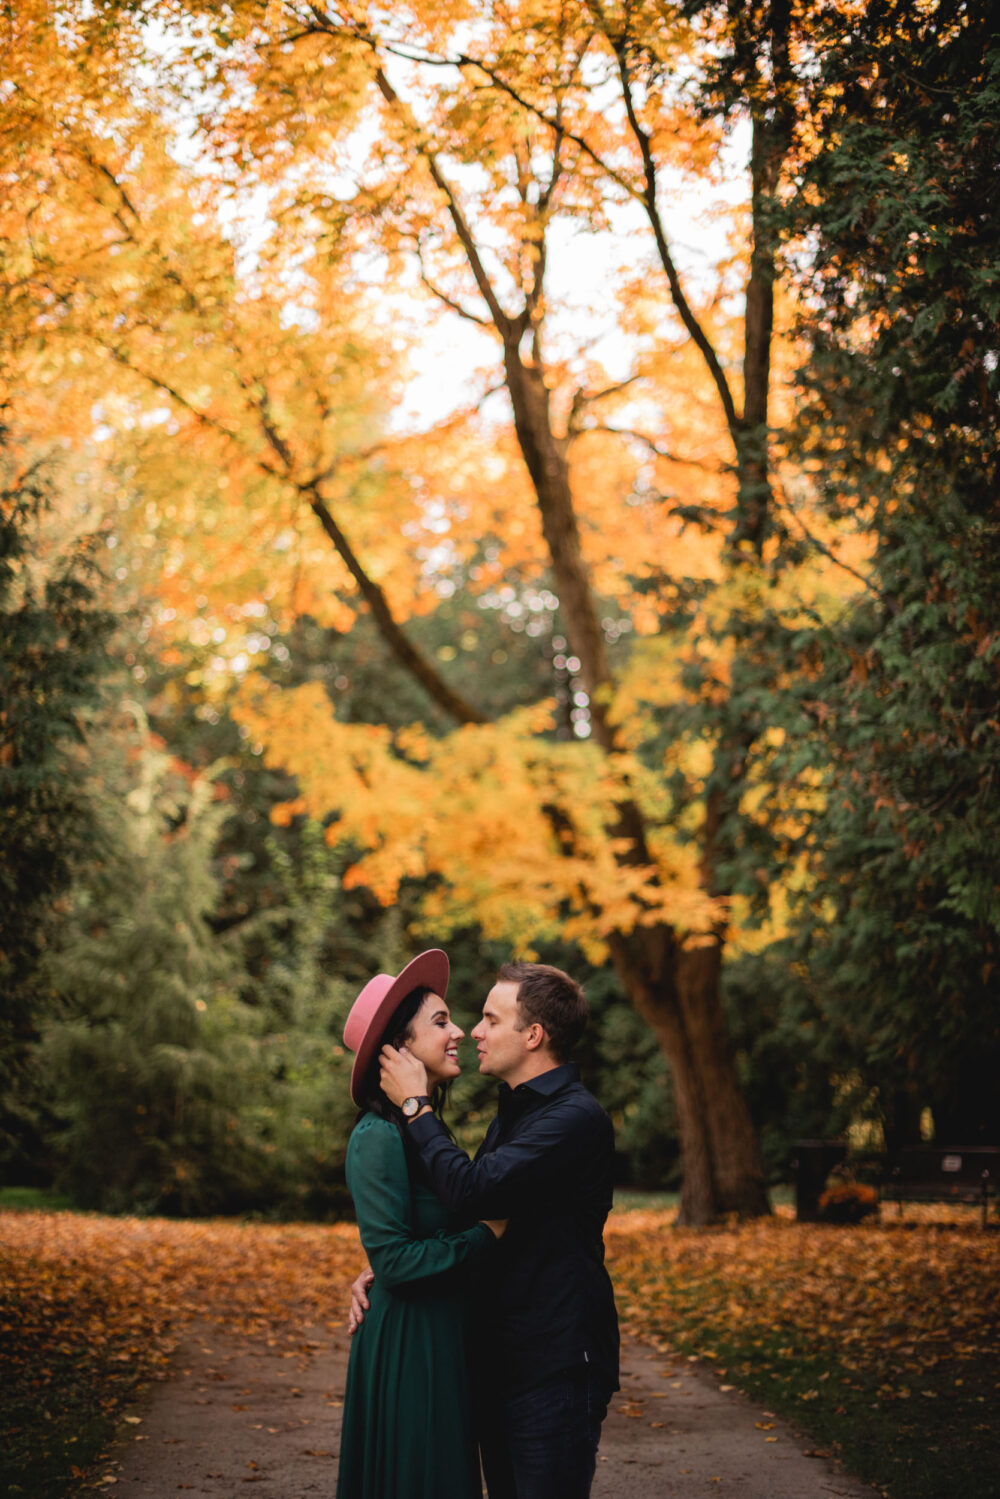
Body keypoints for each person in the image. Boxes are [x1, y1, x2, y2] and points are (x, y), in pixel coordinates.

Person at [369, 959, 620, 1499]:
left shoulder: (571, 1118)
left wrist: (415, 1105)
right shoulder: (517, 1113)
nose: (473, 1031)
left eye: (489, 1018)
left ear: (533, 1035)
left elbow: (472, 1191)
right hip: (502, 1361)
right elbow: (471, 1218)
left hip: (551, 1368)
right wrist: (388, 1263)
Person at [336, 948, 506, 1499]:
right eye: (440, 1022)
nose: (458, 1031)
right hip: (410, 1344)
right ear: (400, 1045)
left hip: (441, 1336)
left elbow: (410, 1236)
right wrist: (487, 1236)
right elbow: (396, 1262)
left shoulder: (423, 1130)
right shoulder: (377, 1137)